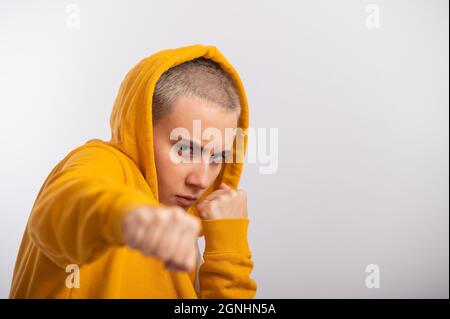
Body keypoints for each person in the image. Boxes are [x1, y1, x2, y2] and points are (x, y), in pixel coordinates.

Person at [10, 44, 257, 298]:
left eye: (217, 156)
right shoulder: (102, 163)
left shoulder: (181, 229)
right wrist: (129, 219)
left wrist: (229, 246)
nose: (202, 180)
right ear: (143, 132)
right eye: (185, 150)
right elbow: (58, 212)